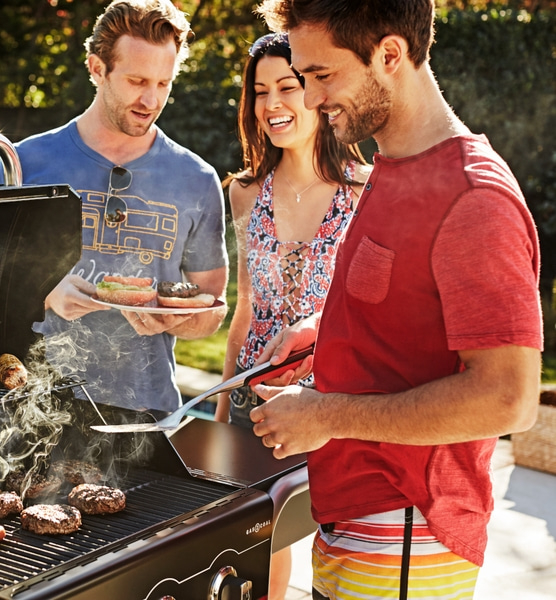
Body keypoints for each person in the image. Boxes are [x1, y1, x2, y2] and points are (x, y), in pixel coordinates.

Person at [247, 1, 544, 599]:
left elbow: (509, 400)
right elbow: (401, 315)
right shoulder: (393, 167)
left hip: (409, 536)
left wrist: (327, 414)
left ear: (389, 55)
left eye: (322, 76)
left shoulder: (473, 198)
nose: (308, 99)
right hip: (358, 526)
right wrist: (323, 332)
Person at [0, 0, 228, 415]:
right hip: (30, 408)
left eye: (164, 83)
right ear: (97, 69)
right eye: (137, 80)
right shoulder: (23, 165)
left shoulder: (198, 178)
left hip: (146, 414)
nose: (151, 100)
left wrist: (172, 318)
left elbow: (211, 309)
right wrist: (44, 293)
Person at [214, 32, 367, 600]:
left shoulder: (365, 190)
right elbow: (246, 308)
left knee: (337, 559)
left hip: (333, 403)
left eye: (287, 86)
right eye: (259, 92)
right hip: (255, 405)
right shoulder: (245, 190)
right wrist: (224, 403)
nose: (271, 104)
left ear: (319, 91)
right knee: (259, 558)